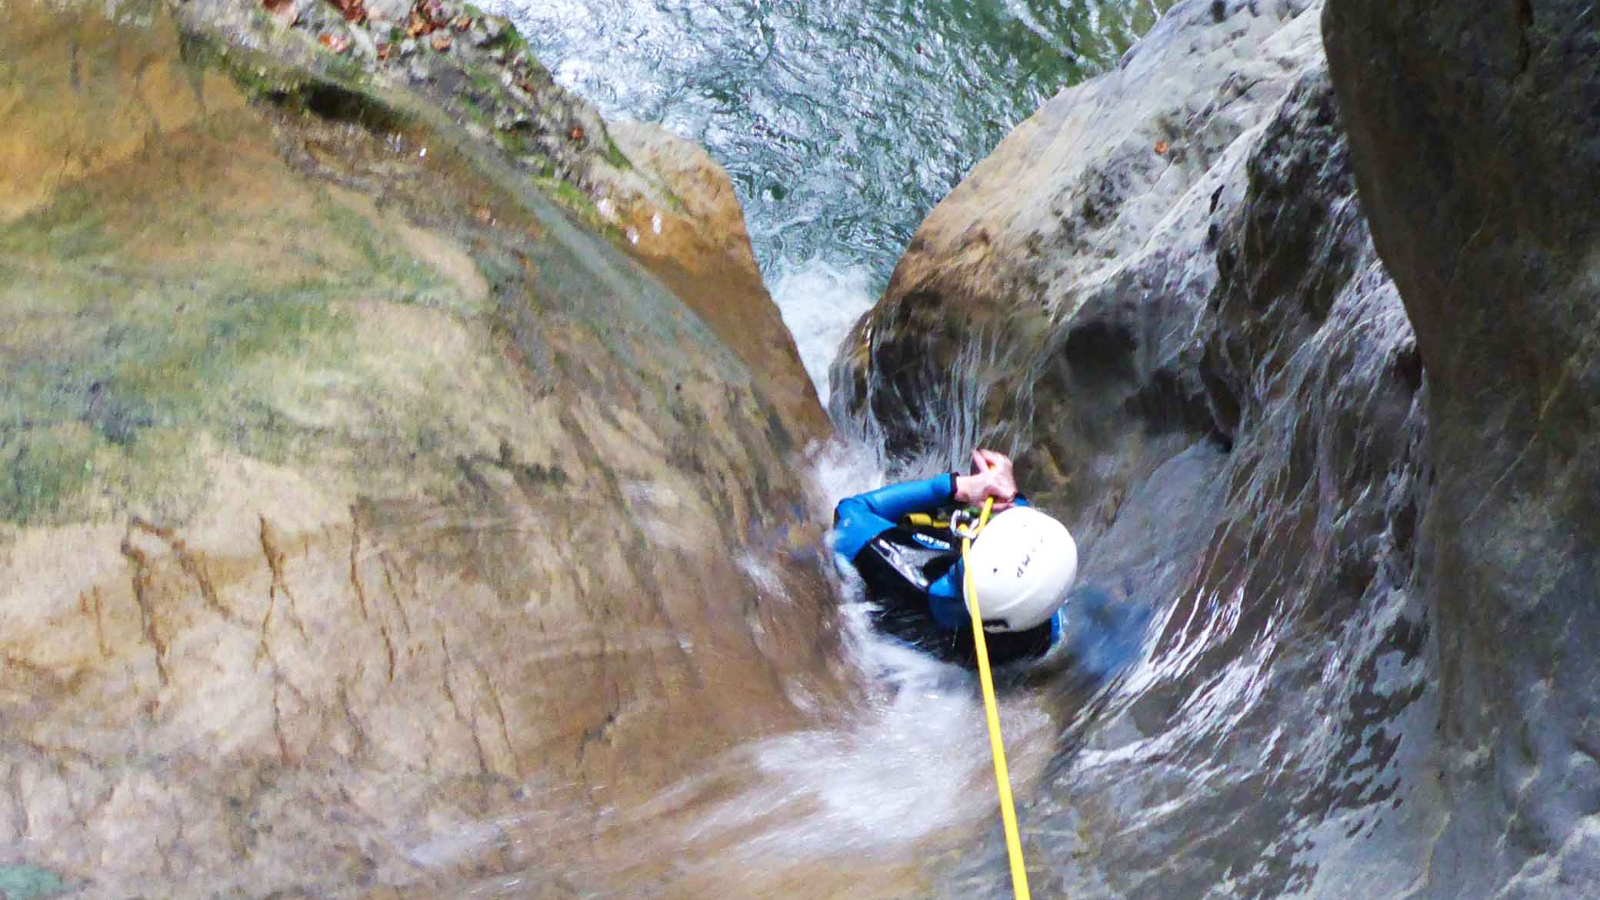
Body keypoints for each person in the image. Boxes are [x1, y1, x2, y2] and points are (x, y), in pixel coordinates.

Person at [832, 449, 1078, 669]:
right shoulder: (1039, 634)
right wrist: (1010, 501)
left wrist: (958, 488)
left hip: (904, 588)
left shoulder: (900, 566)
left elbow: (850, 511)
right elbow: (1040, 580)